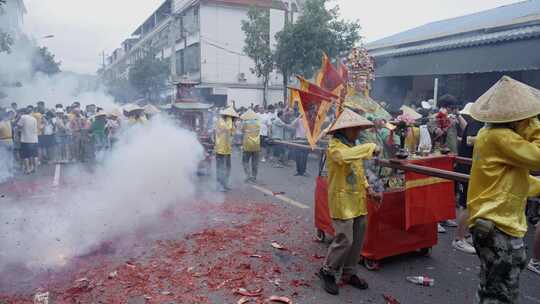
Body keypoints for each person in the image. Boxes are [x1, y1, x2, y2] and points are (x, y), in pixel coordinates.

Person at [467, 76, 540, 303]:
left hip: (495, 222)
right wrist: (535, 127)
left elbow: (514, 182)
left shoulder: (490, 135)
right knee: (500, 293)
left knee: (493, 286)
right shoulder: (501, 136)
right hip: (498, 224)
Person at [319, 108, 381, 296]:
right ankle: (327, 271)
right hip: (342, 200)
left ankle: (349, 272)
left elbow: (358, 171)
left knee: (357, 240)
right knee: (345, 239)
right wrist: (370, 147)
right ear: (343, 130)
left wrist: (369, 189)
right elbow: (345, 158)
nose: (358, 132)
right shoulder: (334, 147)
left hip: (358, 200)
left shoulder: (354, 147)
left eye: (359, 129)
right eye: (354, 129)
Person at [452, 103, 483, 254]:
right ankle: (459, 239)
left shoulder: (475, 124)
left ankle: (468, 234)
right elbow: (471, 140)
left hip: (475, 168)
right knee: (467, 204)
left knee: (474, 203)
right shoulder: (476, 124)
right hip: (468, 168)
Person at [214, 107, 238, 192]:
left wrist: (234, 124)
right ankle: (219, 185)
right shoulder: (220, 121)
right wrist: (230, 120)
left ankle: (225, 184)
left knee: (228, 167)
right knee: (221, 168)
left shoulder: (229, 123)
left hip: (227, 149)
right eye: (232, 117)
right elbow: (226, 128)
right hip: (220, 149)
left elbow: (232, 133)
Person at [240, 109, 261, 183]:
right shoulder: (258, 122)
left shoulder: (245, 123)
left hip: (247, 145)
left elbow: (241, 130)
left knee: (245, 161)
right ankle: (254, 177)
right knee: (255, 162)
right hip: (256, 145)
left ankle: (248, 176)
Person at [17, 108, 39, 174]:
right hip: (34, 139)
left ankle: (28, 169)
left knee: (25, 156)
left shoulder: (23, 117)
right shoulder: (34, 118)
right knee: (35, 155)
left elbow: (19, 126)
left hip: (25, 139)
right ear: (31, 112)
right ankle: (35, 169)